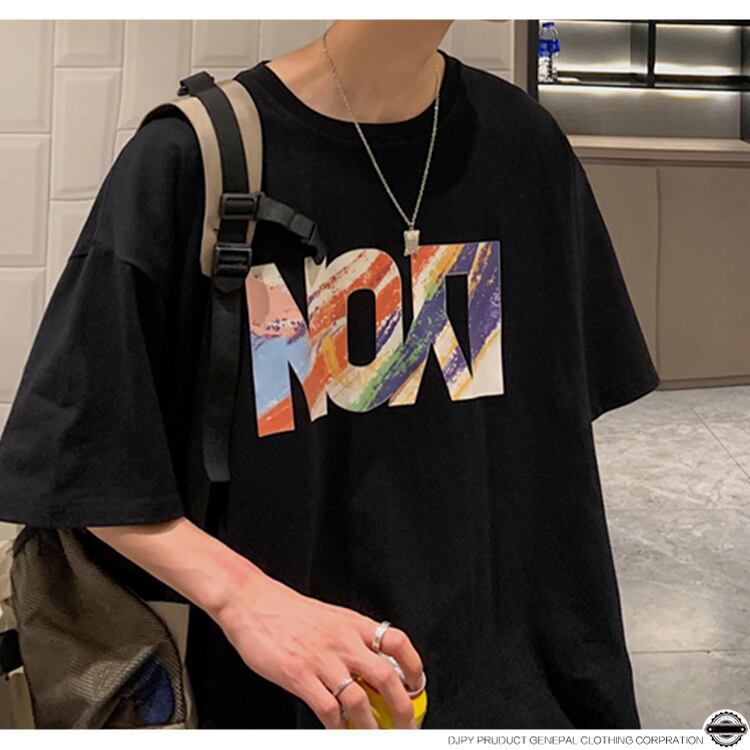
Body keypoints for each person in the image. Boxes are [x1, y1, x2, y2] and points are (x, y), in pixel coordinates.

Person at [0, 20, 660, 729]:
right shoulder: (192, 158)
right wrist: (245, 598)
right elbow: (80, 465)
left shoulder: (526, 149)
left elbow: (545, 454)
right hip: (282, 703)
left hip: (507, 697)